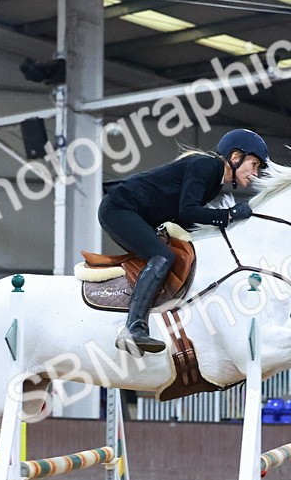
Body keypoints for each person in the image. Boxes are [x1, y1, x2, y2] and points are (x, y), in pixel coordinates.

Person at [99, 129, 268, 356]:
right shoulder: (207, 166)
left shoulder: (214, 182)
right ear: (236, 157)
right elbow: (188, 212)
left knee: (170, 254)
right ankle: (133, 327)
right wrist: (229, 215)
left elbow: (184, 219)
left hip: (132, 211)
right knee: (163, 256)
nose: (255, 173)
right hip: (119, 208)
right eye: (254, 164)